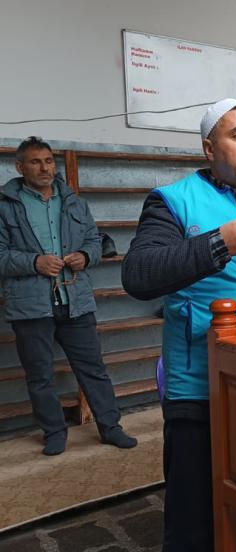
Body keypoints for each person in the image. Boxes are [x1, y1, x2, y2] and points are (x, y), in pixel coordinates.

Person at [122, 99, 236, 552]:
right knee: (196, 521)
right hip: (201, 386)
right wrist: (218, 243)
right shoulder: (172, 200)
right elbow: (139, 275)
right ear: (209, 149)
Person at [0, 137, 137, 456]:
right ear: (20, 167)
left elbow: (94, 242)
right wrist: (34, 262)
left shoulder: (75, 202)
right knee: (39, 375)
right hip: (30, 306)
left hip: (75, 301)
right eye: (35, 162)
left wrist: (85, 256)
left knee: (93, 368)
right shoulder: (5, 206)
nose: (44, 168)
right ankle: (54, 433)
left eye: (49, 161)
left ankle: (110, 427)